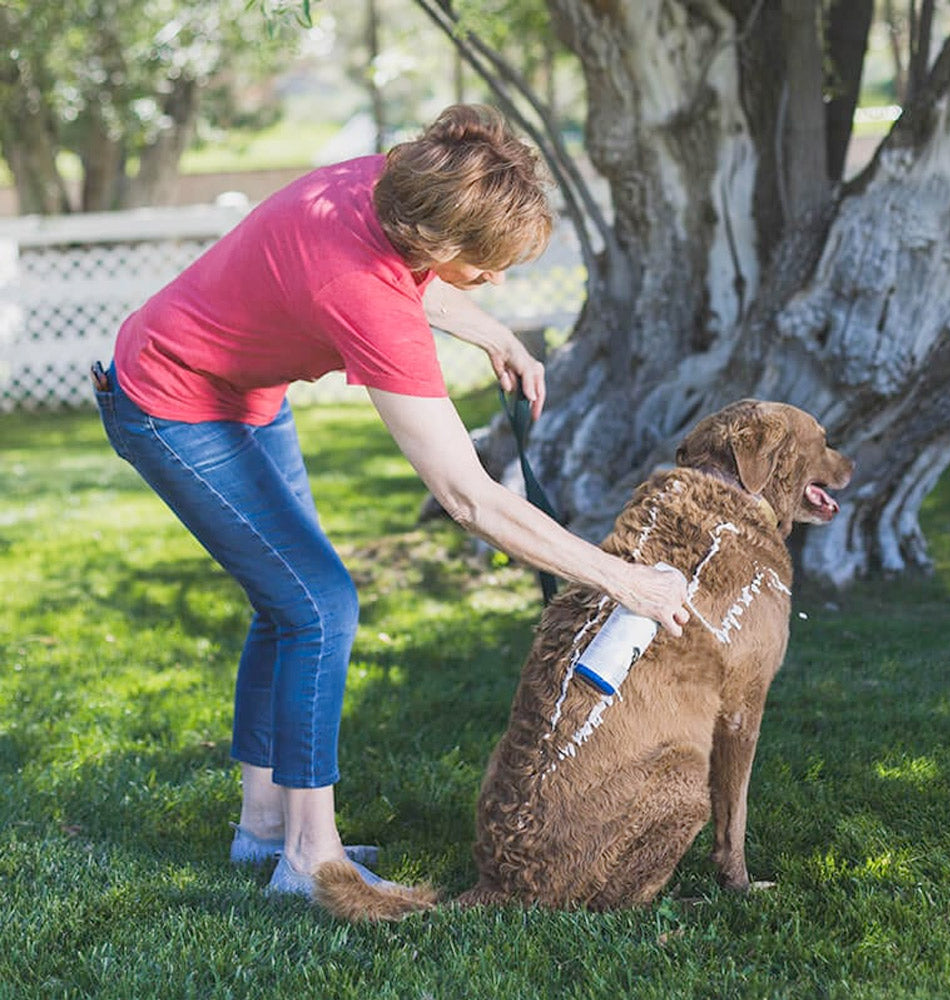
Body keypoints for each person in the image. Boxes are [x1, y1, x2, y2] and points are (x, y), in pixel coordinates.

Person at [93, 104, 690, 899]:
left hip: (247, 389)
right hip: (166, 397)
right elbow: (469, 497)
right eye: (487, 268)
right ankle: (309, 857)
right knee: (318, 605)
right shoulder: (365, 296)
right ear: (440, 246)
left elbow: (418, 275)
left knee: (286, 602)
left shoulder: (396, 184)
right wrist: (626, 579)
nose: (497, 281)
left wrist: (493, 333)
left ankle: (262, 829)